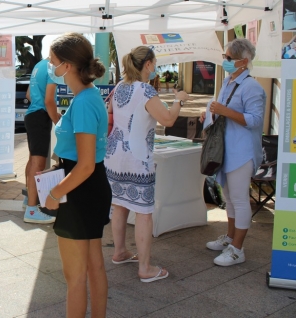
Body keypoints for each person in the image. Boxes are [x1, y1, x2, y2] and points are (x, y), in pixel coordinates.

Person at [104, 46, 189, 283]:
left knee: (119, 204)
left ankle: (120, 251)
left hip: (114, 156)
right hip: (137, 159)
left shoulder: (120, 86)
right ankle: (145, 267)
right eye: (155, 63)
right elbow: (168, 119)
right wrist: (178, 100)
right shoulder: (146, 91)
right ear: (148, 64)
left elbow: (112, 115)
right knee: (143, 212)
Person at [42, 33, 111, 318]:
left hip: (79, 190)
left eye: (53, 61)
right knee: (93, 267)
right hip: (88, 187)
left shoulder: (83, 102)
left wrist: (55, 192)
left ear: (67, 66)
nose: (50, 65)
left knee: (75, 277)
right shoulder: (89, 96)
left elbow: (84, 165)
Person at [200, 38, 265, 266]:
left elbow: (255, 120)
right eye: (225, 57)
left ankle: (238, 249)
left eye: (229, 58)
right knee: (229, 197)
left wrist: (224, 111)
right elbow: (220, 108)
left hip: (242, 151)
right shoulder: (228, 81)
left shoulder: (252, 87)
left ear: (244, 61)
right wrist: (210, 113)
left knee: (239, 200)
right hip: (227, 149)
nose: (225, 61)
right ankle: (230, 238)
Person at [23, 58, 60, 224]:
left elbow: (29, 94)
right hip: (40, 116)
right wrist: (58, 123)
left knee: (32, 160)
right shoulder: (52, 68)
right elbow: (49, 101)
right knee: (38, 162)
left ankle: (28, 199)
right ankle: (31, 209)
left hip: (31, 115)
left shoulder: (39, 65)